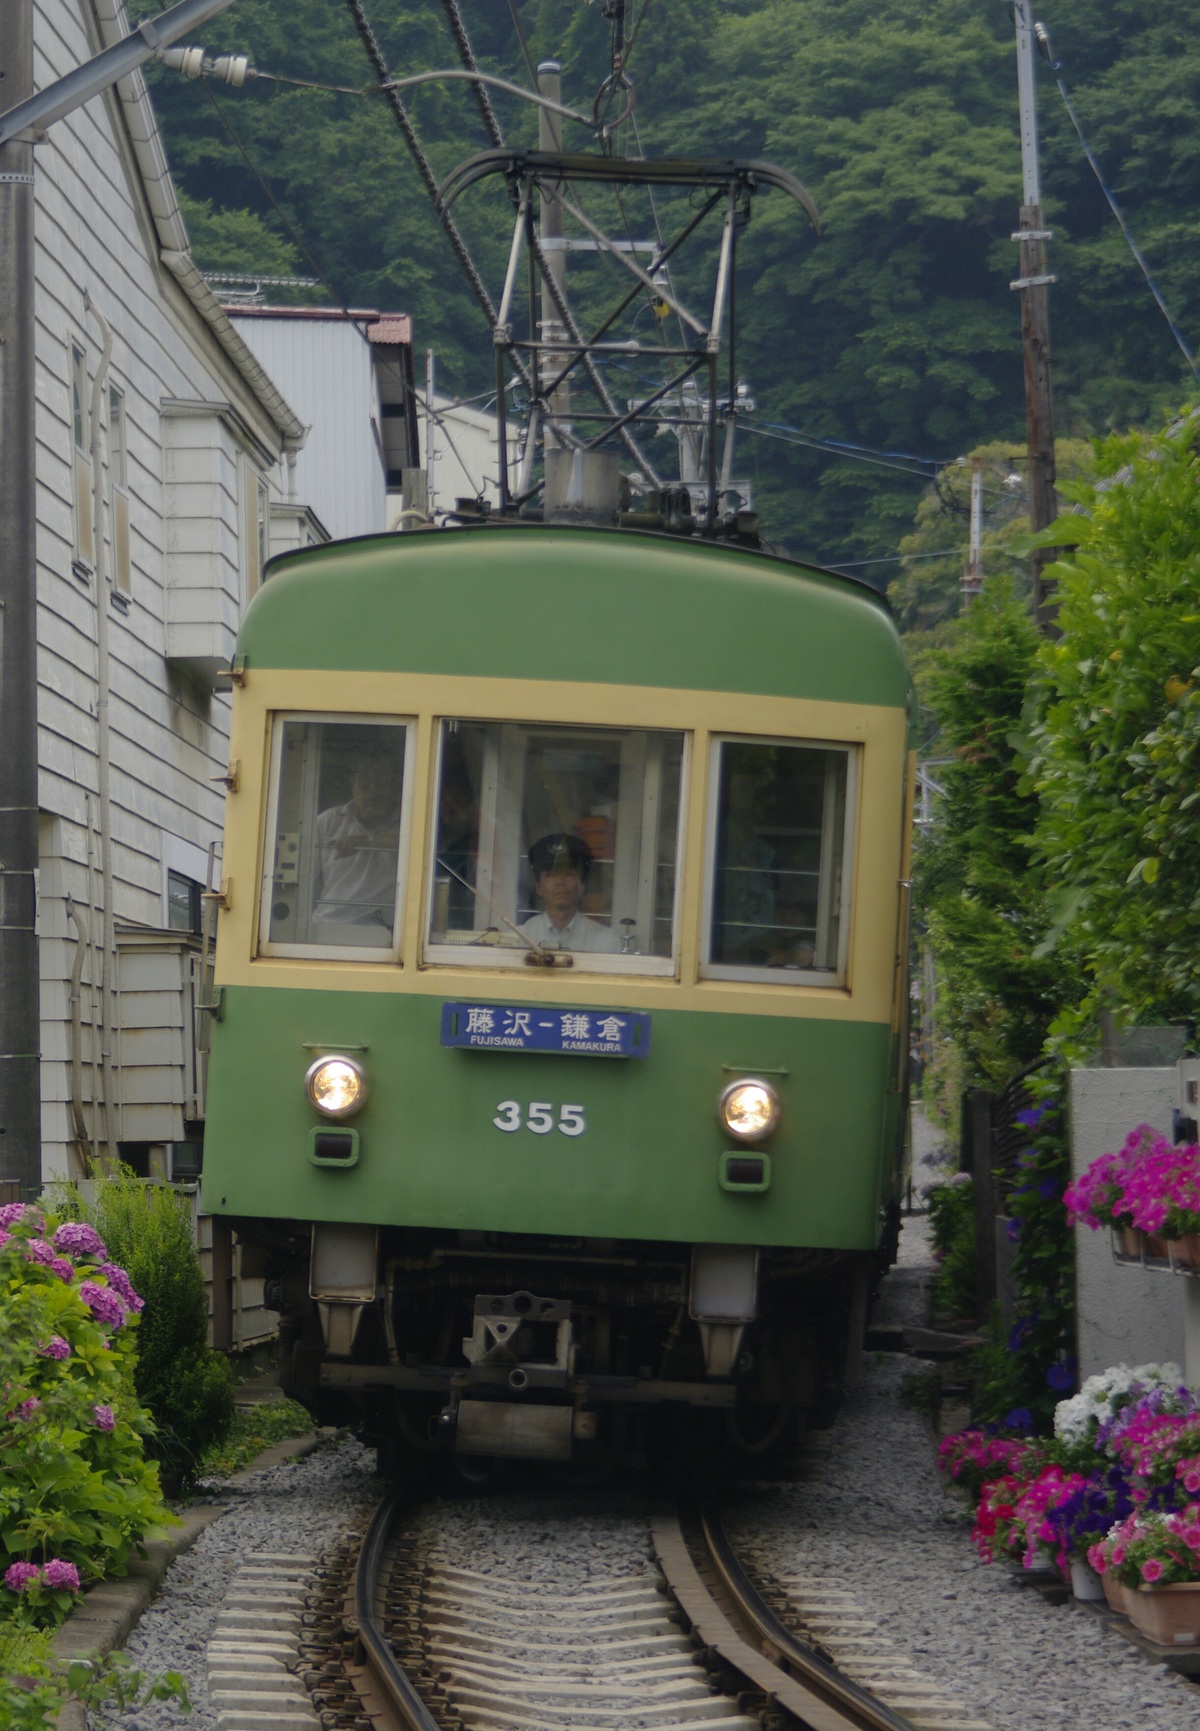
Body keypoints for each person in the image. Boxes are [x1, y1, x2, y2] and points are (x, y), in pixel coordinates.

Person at [312, 746, 403, 930]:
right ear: (352, 785)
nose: (373, 791)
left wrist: (364, 841)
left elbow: (407, 841)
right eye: (364, 783)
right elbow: (304, 877)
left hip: (383, 929)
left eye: (382, 783)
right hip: (326, 925)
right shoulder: (327, 821)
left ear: (396, 786)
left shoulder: (408, 822)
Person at [519, 833, 623, 953]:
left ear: (582, 885)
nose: (560, 882)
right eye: (551, 875)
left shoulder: (605, 941)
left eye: (568, 874)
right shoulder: (522, 938)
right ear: (538, 887)